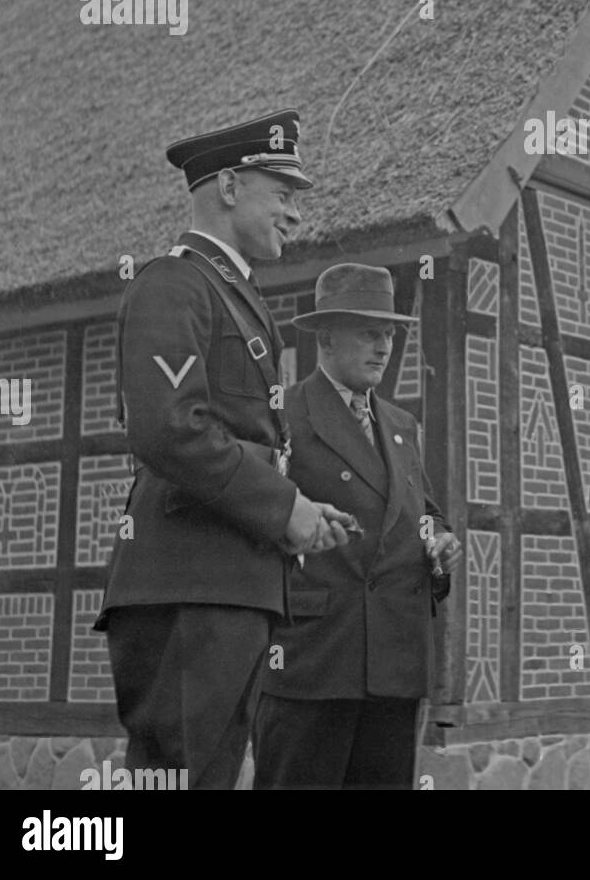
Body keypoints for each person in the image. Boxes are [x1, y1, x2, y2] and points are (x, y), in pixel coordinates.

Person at [94, 109, 353, 789]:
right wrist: (282, 506)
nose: (295, 215)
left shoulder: (236, 295)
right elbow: (167, 429)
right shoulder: (172, 283)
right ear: (230, 187)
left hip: (227, 585)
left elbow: (239, 437)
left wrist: (297, 508)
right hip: (188, 587)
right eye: (283, 194)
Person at [252, 263, 462, 789]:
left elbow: (421, 511)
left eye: (389, 333)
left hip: (393, 660)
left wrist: (437, 541)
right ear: (325, 337)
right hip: (313, 660)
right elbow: (254, 515)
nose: (384, 346)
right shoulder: (285, 416)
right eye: (369, 332)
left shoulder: (399, 425)